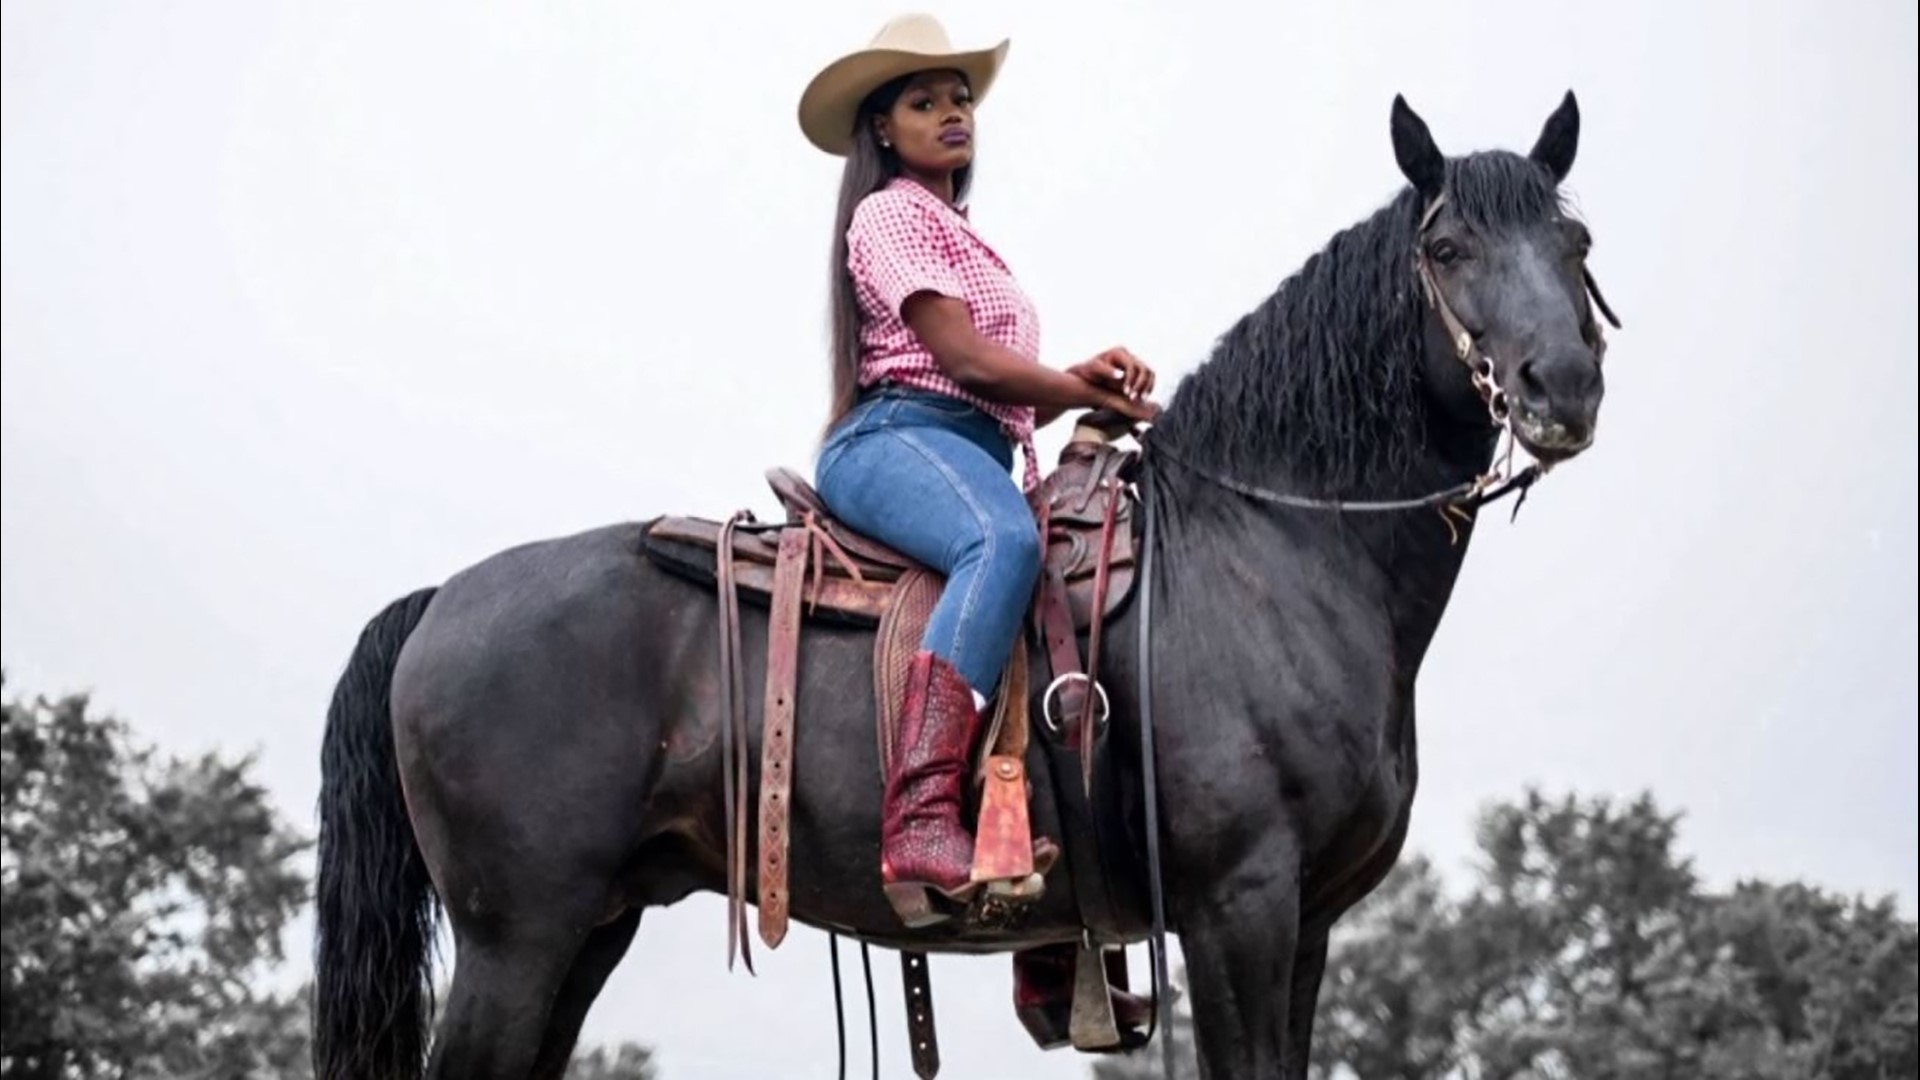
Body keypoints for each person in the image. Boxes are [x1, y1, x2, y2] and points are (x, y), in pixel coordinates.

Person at [797, 13, 1159, 1046]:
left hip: (967, 444)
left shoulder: (965, 236)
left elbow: (1000, 395)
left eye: (958, 98)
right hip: (892, 441)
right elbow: (964, 366)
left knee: (1057, 606)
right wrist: (1073, 387)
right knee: (1001, 545)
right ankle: (917, 817)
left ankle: (1054, 929)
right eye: (924, 102)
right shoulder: (888, 217)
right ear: (882, 129)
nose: (952, 114)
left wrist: (1072, 383)